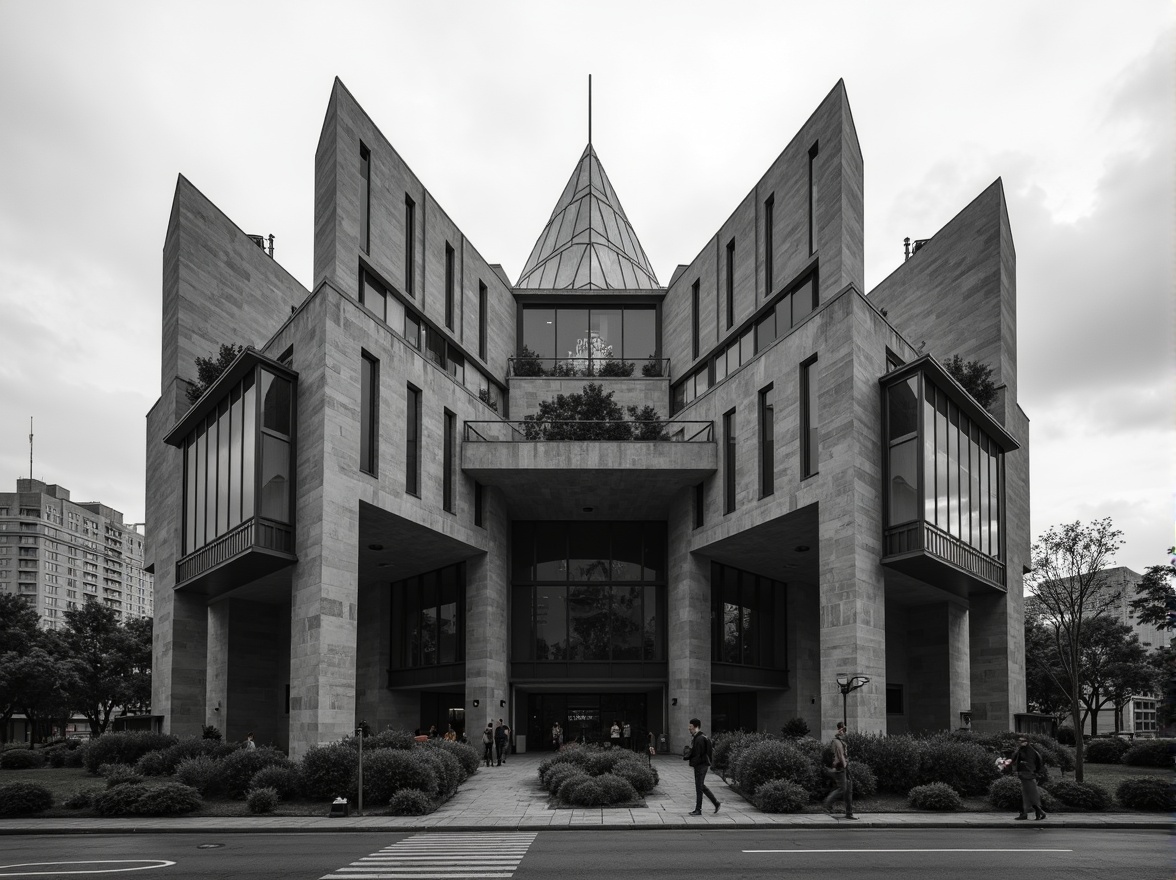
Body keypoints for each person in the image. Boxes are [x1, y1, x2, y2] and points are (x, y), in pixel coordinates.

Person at [683, 717, 720, 815]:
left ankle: (698, 809)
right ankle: (716, 803)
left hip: (701, 765)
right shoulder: (701, 737)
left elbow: (699, 754)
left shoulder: (699, 739)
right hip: (702, 765)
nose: (689, 728)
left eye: (690, 726)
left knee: (699, 787)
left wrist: (690, 758)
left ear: (696, 727)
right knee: (701, 786)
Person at [822, 721, 857, 819]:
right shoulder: (837, 741)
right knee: (842, 789)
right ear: (838, 730)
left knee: (848, 790)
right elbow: (840, 755)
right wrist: (845, 765)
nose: (844, 732)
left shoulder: (842, 741)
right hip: (840, 768)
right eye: (842, 729)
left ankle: (849, 813)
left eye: (844, 730)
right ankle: (827, 804)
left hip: (844, 767)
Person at [1011, 735, 1047, 821]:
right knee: (1028, 794)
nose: (1020, 743)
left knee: (1029, 794)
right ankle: (1032, 812)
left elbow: (1027, 763)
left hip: (1027, 775)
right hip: (1027, 775)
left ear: (1026, 742)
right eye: (1019, 741)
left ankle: (1037, 812)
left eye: (1022, 741)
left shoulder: (1028, 752)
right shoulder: (1024, 750)